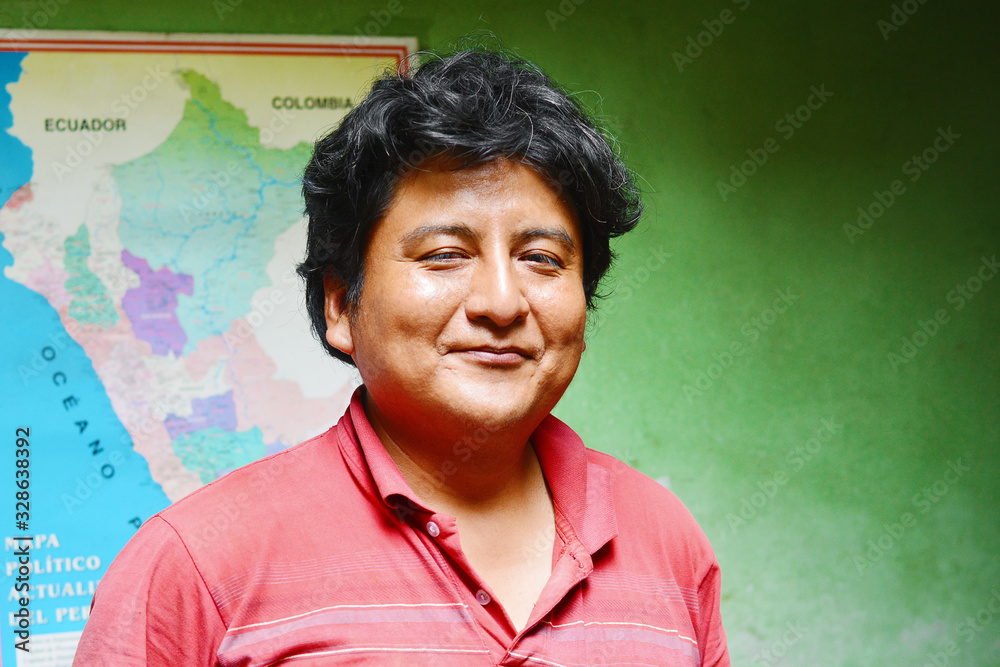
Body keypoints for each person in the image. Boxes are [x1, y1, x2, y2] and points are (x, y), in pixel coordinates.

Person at [75, 48, 729, 666]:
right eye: (445, 255)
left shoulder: (666, 540)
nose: (502, 303)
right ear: (341, 304)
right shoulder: (195, 568)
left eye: (541, 258)